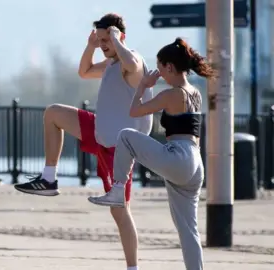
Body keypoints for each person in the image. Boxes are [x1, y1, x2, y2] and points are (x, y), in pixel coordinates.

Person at [14, 13, 153, 270]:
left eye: (106, 40)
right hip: (100, 131)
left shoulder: (131, 61)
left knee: (120, 211)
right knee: (53, 113)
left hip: (120, 148)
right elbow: (84, 71)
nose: (103, 45)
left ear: (119, 36)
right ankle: (49, 178)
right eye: (100, 40)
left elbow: (132, 64)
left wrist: (116, 40)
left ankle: (133, 267)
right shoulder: (111, 63)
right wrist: (90, 46)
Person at [88, 37, 216, 270]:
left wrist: (143, 86)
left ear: (169, 67)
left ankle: (118, 190)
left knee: (126, 135)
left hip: (178, 156)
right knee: (189, 231)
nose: (159, 74)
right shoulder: (194, 93)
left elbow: (135, 110)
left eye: (160, 68)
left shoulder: (171, 94)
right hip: (195, 163)